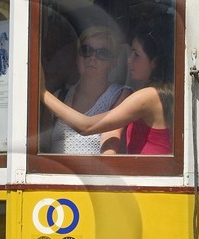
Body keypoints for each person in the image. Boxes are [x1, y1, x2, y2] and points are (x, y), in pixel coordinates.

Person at [42, 14, 173, 155]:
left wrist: (41, 92)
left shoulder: (147, 96)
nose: (129, 60)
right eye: (86, 51)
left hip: (149, 175)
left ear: (154, 62)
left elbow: (88, 127)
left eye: (136, 54)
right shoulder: (155, 94)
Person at [47, 26, 127, 155]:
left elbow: (112, 140)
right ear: (77, 57)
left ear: (114, 62)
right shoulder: (59, 97)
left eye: (102, 53)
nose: (92, 58)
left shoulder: (121, 95)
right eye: (86, 51)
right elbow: (41, 147)